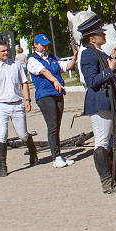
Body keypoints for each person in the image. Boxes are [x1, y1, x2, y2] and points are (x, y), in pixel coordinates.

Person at [77, 14, 116, 194]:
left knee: (111, 141)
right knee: (101, 142)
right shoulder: (87, 54)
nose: (104, 35)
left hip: (108, 100)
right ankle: (107, 183)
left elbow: (107, 75)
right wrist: (112, 68)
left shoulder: (98, 53)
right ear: (91, 38)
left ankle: (113, 177)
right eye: (100, 33)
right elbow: (93, 81)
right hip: (99, 101)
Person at [0, 41, 38, 177]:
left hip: (17, 103)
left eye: (6, 50)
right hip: (1, 105)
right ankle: (3, 165)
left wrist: (27, 100)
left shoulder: (16, 65)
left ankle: (33, 152)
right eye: (2, 51)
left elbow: (24, 83)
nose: (6, 53)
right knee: (2, 135)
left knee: (22, 134)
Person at [26, 33, 77, 168]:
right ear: (35, 45)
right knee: (52, 125)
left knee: (57, 125)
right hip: (44, 94)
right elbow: (43, 71)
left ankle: (59, 154)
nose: (45, 47)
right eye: (43, 45)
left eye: (46, 45)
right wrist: (54, 80)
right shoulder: (32, 60)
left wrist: (74, 59)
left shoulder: (52, 57)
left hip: (57, 93)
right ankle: (56, 157)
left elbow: (65, 67)